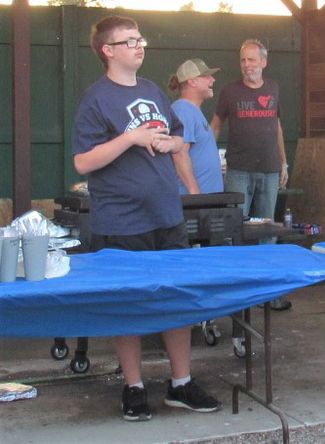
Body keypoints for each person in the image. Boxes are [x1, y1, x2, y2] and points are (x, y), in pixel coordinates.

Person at [72, 15, 221, 421]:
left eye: (141, 39)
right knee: (129, 304)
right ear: (108, 50)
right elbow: (83, 162)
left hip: (165, 215)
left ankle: (181, 383)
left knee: (177, 297)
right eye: (130, 40)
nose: (140, 46)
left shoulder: (154, 91)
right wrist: (131, 138)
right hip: (121, 220)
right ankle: (133, 386)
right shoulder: (96, 99)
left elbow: (176, 140)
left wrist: (171, 141)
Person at [211, 38, 291, 311]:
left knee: (267, 230)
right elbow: (216, 126)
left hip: (269, 169)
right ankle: (239, 289)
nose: (247, 65)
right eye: (243, 60)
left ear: (264, 62)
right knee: (237, 229)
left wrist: (284, 163)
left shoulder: (273, 88)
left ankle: (266, 291)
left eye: (252, 60)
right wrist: (208, 157)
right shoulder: (229, 91)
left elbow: (277, 126)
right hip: (239, 170)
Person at [168, 59, 223, 195]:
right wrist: (195, 193)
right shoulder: (183, 109)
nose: (213, 80)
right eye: (206, 76)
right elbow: (179, 153)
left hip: (204, 201)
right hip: (194, 203)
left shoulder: (192, 110)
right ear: (192, 81)